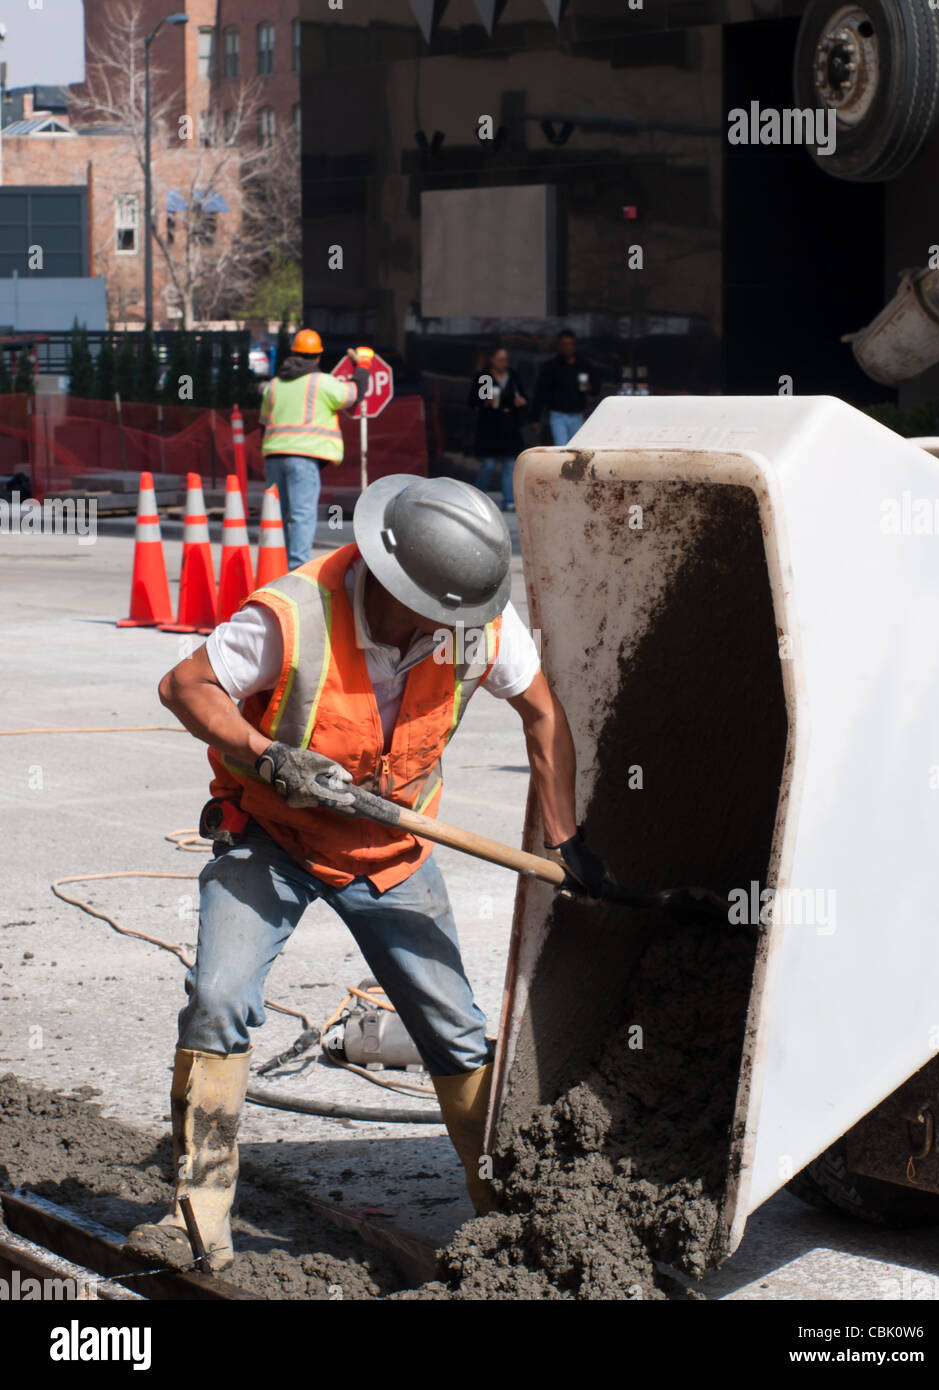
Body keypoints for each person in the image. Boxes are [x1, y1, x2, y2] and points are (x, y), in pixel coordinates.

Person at [127, 475, 607, 1272]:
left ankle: (508, 1212)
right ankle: (197, 1219)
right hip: (272, 836)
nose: (463, 629)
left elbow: (544, 714)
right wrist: (267, 756)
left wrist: (565, 841)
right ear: (395, 584)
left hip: (389, 854)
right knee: (219, 998)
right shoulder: (296, 615)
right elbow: (186, 685)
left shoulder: (472, 624)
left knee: (453, 1026)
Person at [258, 329, 372, 569]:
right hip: (303, 460)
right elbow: (353, 394)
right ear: (318, 357)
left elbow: (263, 423)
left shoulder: (274, 386)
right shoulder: (322, 383)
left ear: (292, 354)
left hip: (274, 457)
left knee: (277, 516)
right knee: (302, 516)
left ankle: (275, 566)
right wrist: (363, 365)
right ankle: (297, 569)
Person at [467, 346, 527, 511]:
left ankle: (509, 499)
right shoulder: (485, 376)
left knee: (509, 465)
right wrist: (486, 401)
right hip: (490, 427)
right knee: (489, 464)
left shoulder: (512, 376)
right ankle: (479, 496)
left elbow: (521, 395)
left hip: (509, 426)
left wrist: (520, 401)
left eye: (506, 359)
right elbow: (476, 400)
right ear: (492, 360)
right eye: (500, 359)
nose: (504, 363)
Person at [531, 330, 601, 446]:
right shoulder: (551, 367)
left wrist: (590, 387)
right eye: (565, 344)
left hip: (577, 414)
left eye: (571, 344)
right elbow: (541, 392)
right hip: (558, 414)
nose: (568, 347)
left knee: (578, 448)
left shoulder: (583, 365)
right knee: (561, 447)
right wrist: (535, 417)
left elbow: (596, 388)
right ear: (559, 346)